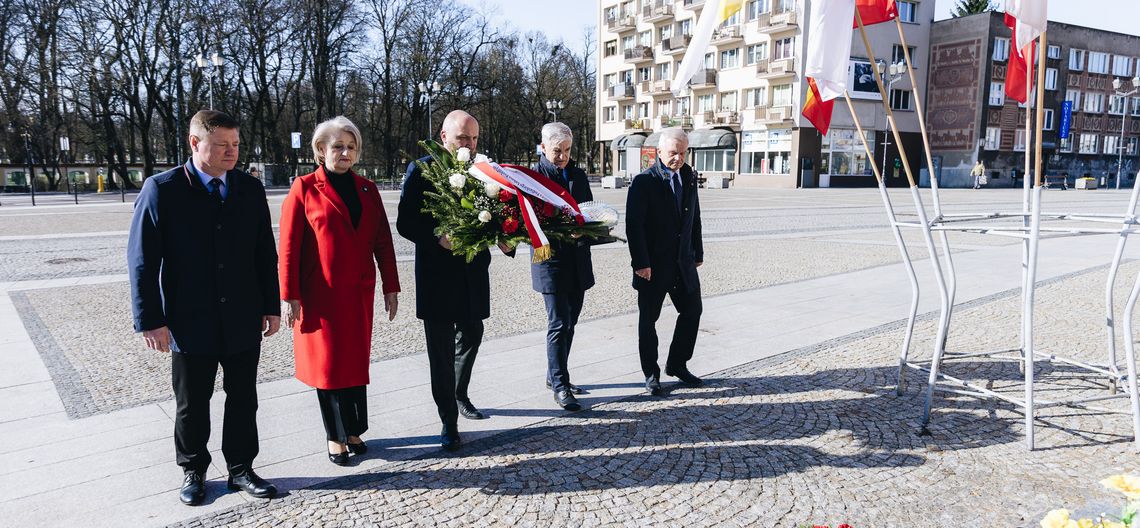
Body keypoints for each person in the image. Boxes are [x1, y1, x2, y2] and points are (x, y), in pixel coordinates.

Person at [127, 109, 280, 506]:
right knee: (192, 402)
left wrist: (271, 304)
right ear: (195, 143)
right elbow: (142, 260)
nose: (232, 152)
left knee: (244, 397)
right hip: (189, 318)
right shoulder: (162, 189)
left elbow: (265, 252)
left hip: (243, 315)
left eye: (236, 144)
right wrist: (151, 320)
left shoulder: (248, 188)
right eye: (222, 145)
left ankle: (241, 468)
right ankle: (193, 470)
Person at [278, 116, 400, 466]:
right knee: (329, 367)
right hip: (322, 295)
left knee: (354, 364)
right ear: (320, 150)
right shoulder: (304, 187)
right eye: (338, 147)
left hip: (359, 293)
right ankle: (335, 436)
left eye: (351, 147)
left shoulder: (367, 188)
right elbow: (289, 246)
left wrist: (391, 286)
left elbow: (382, 241)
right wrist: (289, 294)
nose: (345, 153)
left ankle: (354, 429)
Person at [397, 110, 513, 451]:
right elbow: (405, 223)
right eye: (463, 138)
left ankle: (459, 393)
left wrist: (507, 236)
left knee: (473, 333)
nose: (470, 144)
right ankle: (448, 418)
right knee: (441, 350)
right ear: (444, 136)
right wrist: (437, 237)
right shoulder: (421, 170)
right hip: (437, 275)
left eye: (475, 138)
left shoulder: (482, 170)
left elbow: (497, 213)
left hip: (473, 272)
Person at [625, 127, 704, 397]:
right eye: (673, 153)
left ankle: (677, 364)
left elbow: (694, 217)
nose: (678, 158)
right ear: (659, 152)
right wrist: (641, 263)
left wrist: (698, 253)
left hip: (683, 262)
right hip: (653, 266)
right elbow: (634, 226)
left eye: (683, 153)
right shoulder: (644, 181)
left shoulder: (689, 176)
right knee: (648, 321)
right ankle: (651, 374)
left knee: (693, 311)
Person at [531, 122, 594, 412]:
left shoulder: (578, 174)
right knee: (558, 323)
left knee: (571, 323)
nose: (563, 156)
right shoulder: (532, 178)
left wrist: (590, 228)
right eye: (557, 151)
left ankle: (554, 375)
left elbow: (588, 211)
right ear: (543, 148)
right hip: (550, 260)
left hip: (577, 261)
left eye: (567, 150)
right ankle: (560, 385)